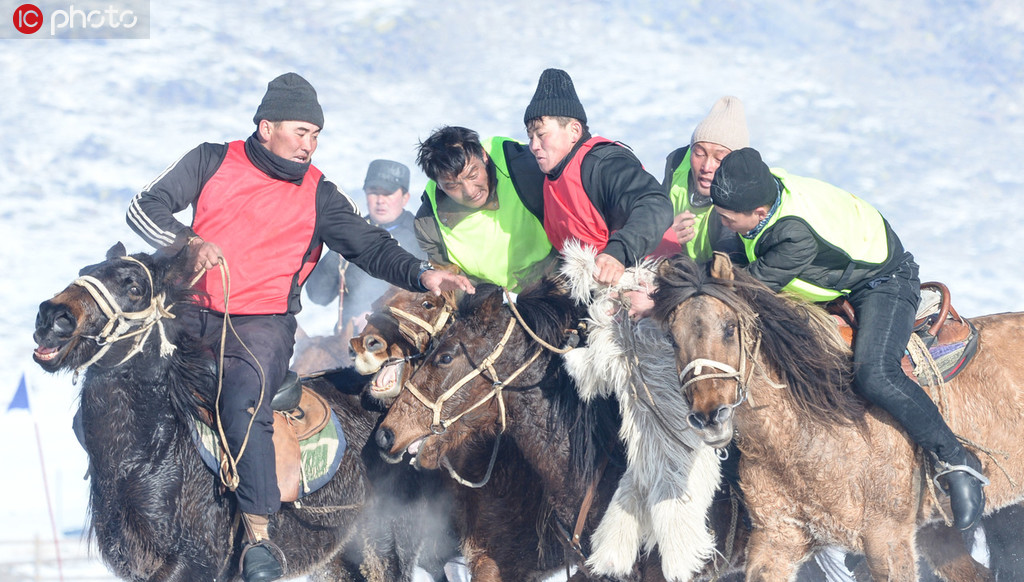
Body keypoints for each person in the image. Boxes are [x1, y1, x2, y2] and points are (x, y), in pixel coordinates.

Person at [126, 72, 473, 582]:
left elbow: (371, 246)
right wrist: (187, 242)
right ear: (266, 127)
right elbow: (144, 207)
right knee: (119, 387)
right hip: (186, 313)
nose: (309, 145)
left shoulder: (319, 194)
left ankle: (258, 537)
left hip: (260, 322)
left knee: (244, 396)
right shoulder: (210, 160)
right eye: (300, 132)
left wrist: (423, 273)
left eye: (316, 135)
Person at [708, 147, 986, 531]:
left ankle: (958, 461)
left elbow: (742, 289)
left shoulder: (793, 236)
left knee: (875, 374)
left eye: (726, 217)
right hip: (839, 275)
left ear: (758, 213)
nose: (720, 222)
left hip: (883, 281)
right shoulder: (762, 197)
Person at [523, 68, 672, 286]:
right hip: (596, 285)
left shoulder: (605, 164)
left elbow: (656, 204)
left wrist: (618, 253)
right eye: (530, 137)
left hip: (653, 278)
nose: (534, 146)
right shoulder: (550, 177)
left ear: (574, 131)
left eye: (542, 135)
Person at [414, 125, 559, 292]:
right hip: (493, 300)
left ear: (483, 155)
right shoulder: (428, 224)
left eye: (473, 175)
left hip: (554, 274)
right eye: (453, 185)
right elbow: (452, 285)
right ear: (438, 185)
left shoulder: (521, 163)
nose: (470, 191)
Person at [305, 159, 424, 334]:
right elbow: (317, 296)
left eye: (388, 193)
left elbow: (428, 299)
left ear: (405, 197)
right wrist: (335, 249)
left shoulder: (421, 236)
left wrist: (378, 317)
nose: (380, 201)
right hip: (349, 338)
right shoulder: (351, 232)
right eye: (374, 192)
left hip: (402, 339)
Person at [657, 95, 747, 263]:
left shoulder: (744, 197)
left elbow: (729, 264)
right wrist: (666, 238)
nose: (706, 167)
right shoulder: (677, 166)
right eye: (699, 153)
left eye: (719, 159)